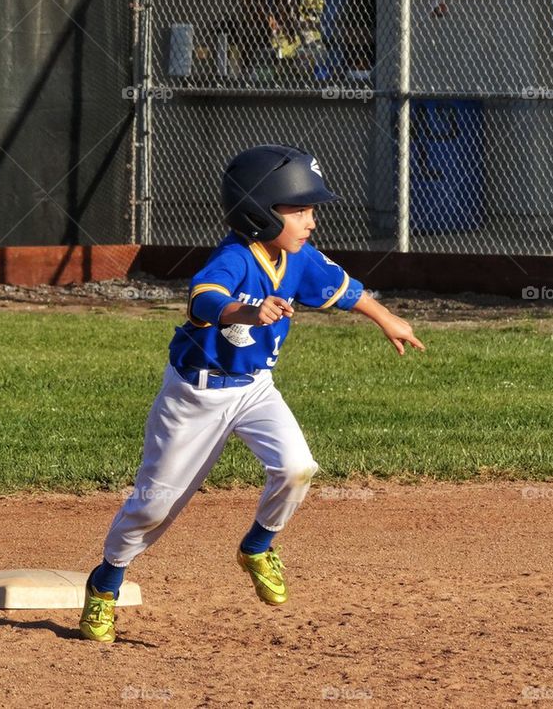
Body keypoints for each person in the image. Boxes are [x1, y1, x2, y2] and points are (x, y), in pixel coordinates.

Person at [78, 144, 425, 642]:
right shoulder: (235, 259)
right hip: (194, 398)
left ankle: (258, 546)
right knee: (153, 506)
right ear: (260, 214)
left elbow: (344, 288)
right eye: (300, 210)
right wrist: (246, 313)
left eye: (311, 210)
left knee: (297, 467)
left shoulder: (297, 258)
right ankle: (105, 583)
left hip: (255, 390)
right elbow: (204, 298)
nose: (311, 221)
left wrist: (387, 318)